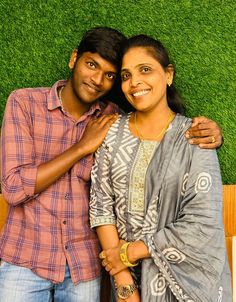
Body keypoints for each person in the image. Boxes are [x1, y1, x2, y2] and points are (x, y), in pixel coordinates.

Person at [0, 26, 222, 302]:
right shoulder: (26, 104)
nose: (97, 79)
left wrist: (213, 133)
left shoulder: (113, 119)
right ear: (74, 59)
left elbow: (202, 220)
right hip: (26, 261)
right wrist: (82, 147)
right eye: (91, 64)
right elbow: (15, 188)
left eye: (110, 75)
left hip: (83, 268)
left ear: (168, 74)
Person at [89, 34, 232, 302]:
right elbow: (101, 206)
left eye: (145, 70)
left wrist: (129, 253)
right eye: (126, 75)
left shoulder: (194, 136)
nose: (135, 83)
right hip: (126, 278)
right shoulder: (112, 133)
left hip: (184, 283)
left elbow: (201, 223)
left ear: (168, 75)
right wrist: (124, 283)